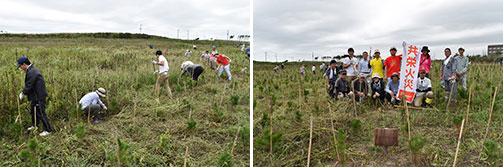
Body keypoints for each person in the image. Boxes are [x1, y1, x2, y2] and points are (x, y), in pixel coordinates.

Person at [17, 56, 53, 136]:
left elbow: (29, 85)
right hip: (35, 96)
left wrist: (23, 93)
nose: (20, 68)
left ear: (24, 64)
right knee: (34, 111)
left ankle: (48, 130)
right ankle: (35, 125)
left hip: (39, 96)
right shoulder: (30, 70)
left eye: (20, 66)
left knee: (41, 112)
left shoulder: (32, 72)